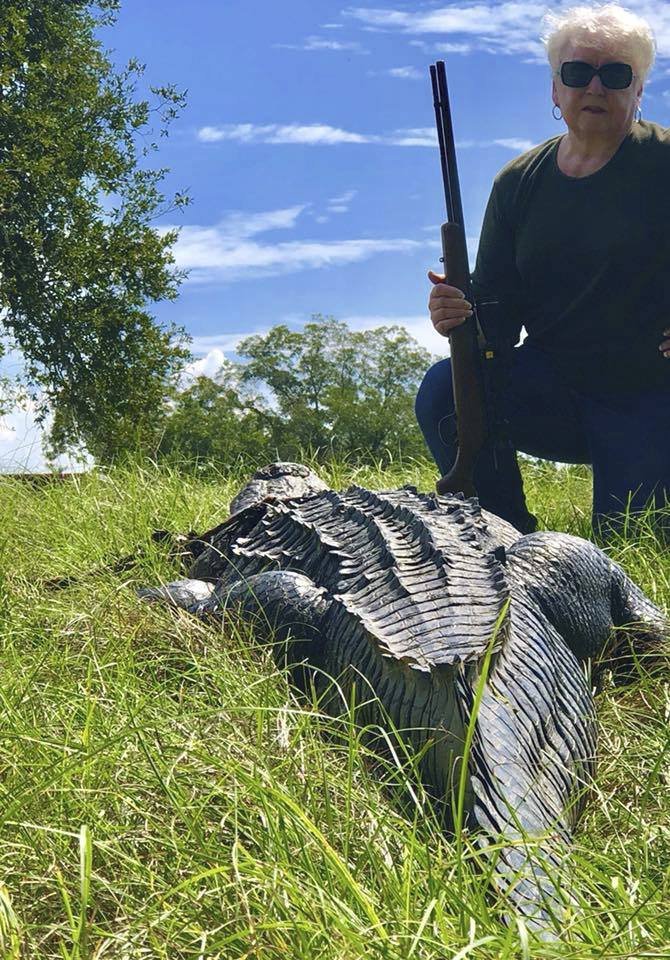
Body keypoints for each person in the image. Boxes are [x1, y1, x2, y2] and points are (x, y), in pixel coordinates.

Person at [415, 3, 669, 537]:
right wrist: (457, 314)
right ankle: (503, 533)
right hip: (555, 387)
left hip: (651, 391)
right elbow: (495, 319)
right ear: (556, 89)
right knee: (444, 391)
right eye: (578, 73)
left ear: (640, 89)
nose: (595, 87)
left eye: (616, 74)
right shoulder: (518, 182)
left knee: (629, 544)